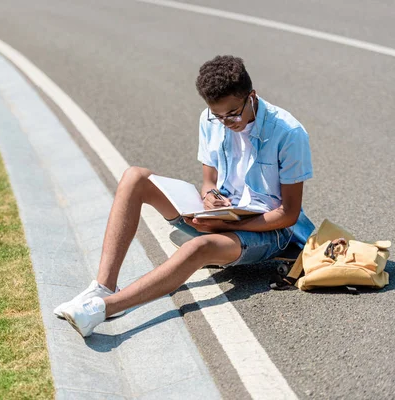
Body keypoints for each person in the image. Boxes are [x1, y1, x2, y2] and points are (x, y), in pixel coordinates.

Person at [55, 55, 315, 337]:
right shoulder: (210, 120)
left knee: (196, 249)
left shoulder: (289, 133)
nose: (227, 123)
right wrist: (210, 197)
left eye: (234, 114)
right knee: (135, 178)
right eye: (219, 116)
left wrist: (229, 225)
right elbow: (208, 182)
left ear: (251, 97)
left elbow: (288, 214)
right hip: (221, 218)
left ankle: (103, 308)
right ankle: (104, 286)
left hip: (269, 230)